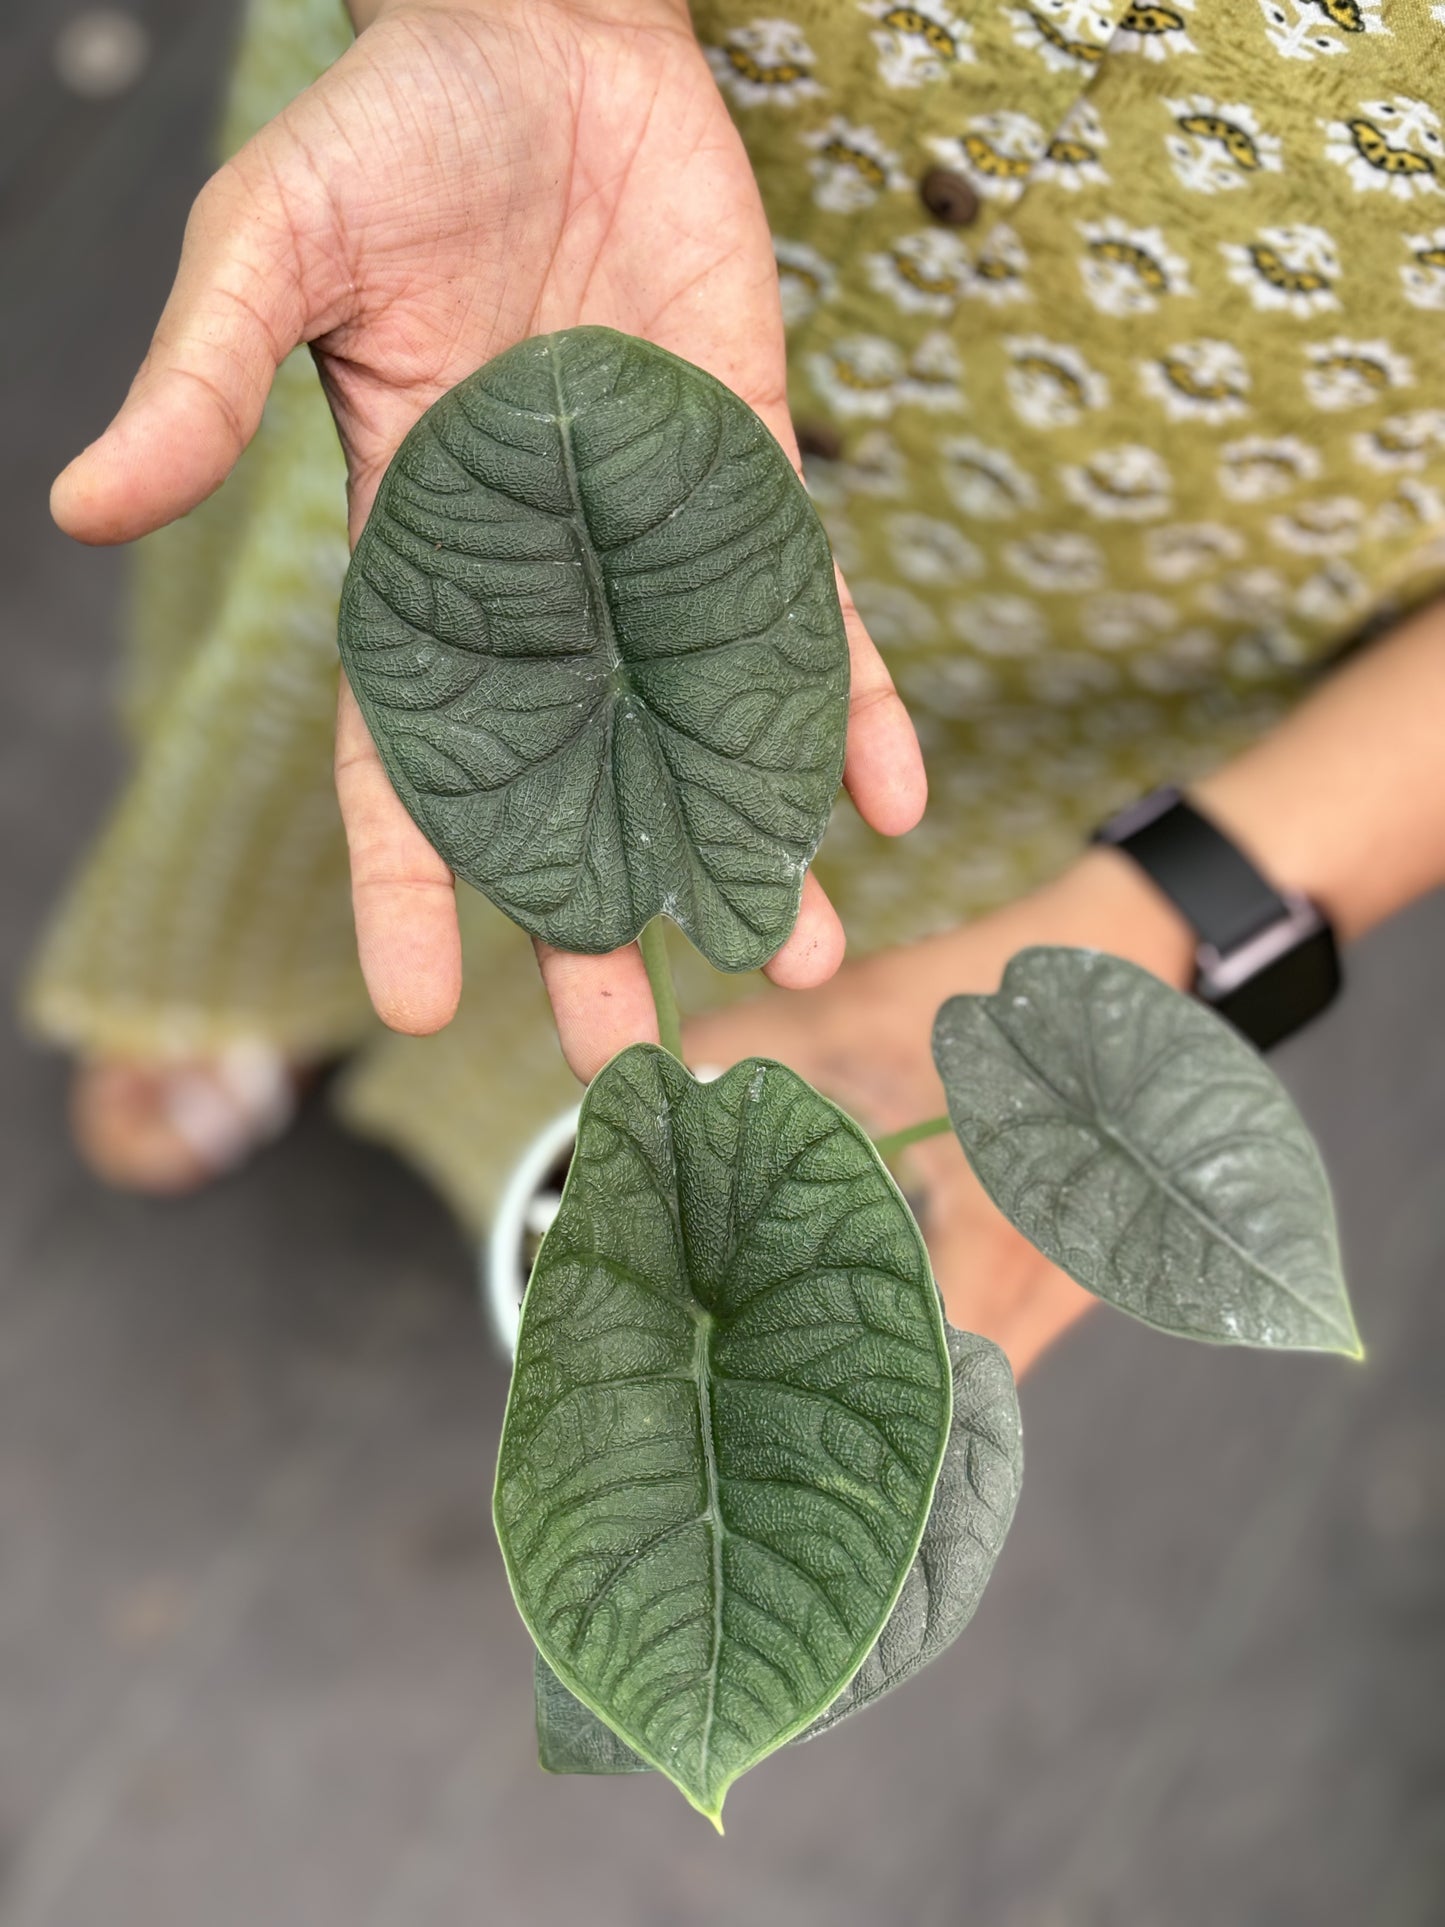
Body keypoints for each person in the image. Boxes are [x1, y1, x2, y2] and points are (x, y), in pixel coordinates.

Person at [29, 0, 1445, 1375]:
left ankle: (554, 1129)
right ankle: (243, 984)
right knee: (393, 715)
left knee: (778, 902)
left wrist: (1173, 911)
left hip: (1123, 568)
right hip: (569, 213)